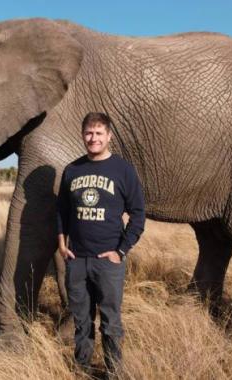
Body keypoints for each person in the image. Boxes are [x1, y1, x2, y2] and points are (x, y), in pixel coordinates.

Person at [56, 112, 146, 375]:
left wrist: (120, 251)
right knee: (82, 322)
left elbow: (138, 213)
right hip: (77, 260)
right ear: (82, 135)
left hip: (108, 262)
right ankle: (81, 369)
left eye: (98, 133)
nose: (93, 138)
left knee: (110, 322)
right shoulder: (72, 170)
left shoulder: (123, 170)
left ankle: (113, 371)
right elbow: (61, 211)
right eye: (88, 133)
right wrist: (62, 245)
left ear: (109, 136)